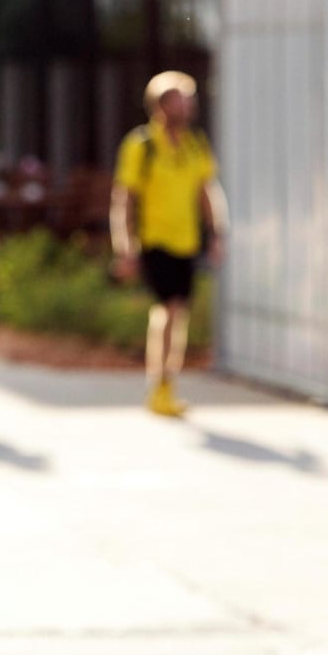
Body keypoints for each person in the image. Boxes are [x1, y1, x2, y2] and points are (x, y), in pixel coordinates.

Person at [110, 71, 227, 417]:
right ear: (161, 105)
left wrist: (217, 233)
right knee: (169, 309)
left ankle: (166, 384)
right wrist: (125, 246)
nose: (189, 106)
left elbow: (207, 192)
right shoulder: (141, 146)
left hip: (186, 240)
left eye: (190, 98)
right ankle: (159, 384)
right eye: (181, 98)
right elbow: (124, 199)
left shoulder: (195, 144)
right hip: (155, 239)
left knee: (179, 313)